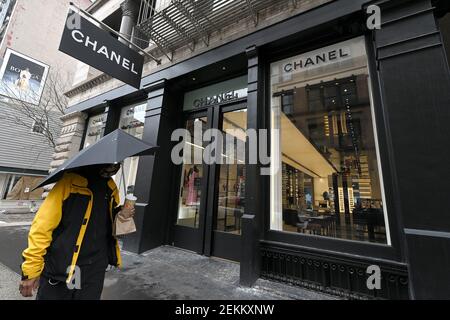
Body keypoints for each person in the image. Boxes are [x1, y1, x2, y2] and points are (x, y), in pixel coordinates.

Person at [18, 163, 135, 300]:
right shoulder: (69, 183)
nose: (115, 166)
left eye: (117, 164)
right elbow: (41, 228)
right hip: (63, 267)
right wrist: (31, 270)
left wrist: (122, 214)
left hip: (94, 269)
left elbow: (108, 223)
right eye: (112, 164)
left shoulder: (110, 186)